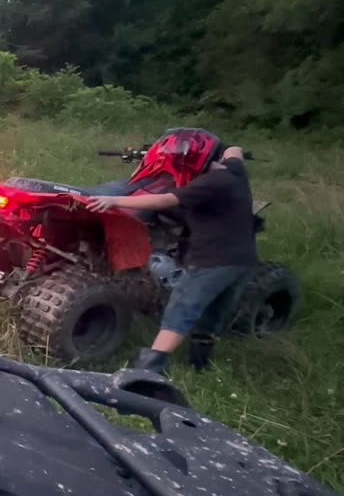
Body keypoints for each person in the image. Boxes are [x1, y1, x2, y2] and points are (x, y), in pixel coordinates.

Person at [88, 146, 258, 375]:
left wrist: (114, 201)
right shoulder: (234, 171)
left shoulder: (208, 183)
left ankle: (148, 370)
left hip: (212, 259)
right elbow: (235, 150)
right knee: (211, 312)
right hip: (242, 260)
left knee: (181, 309)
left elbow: (163, 200)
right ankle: (200, 365)